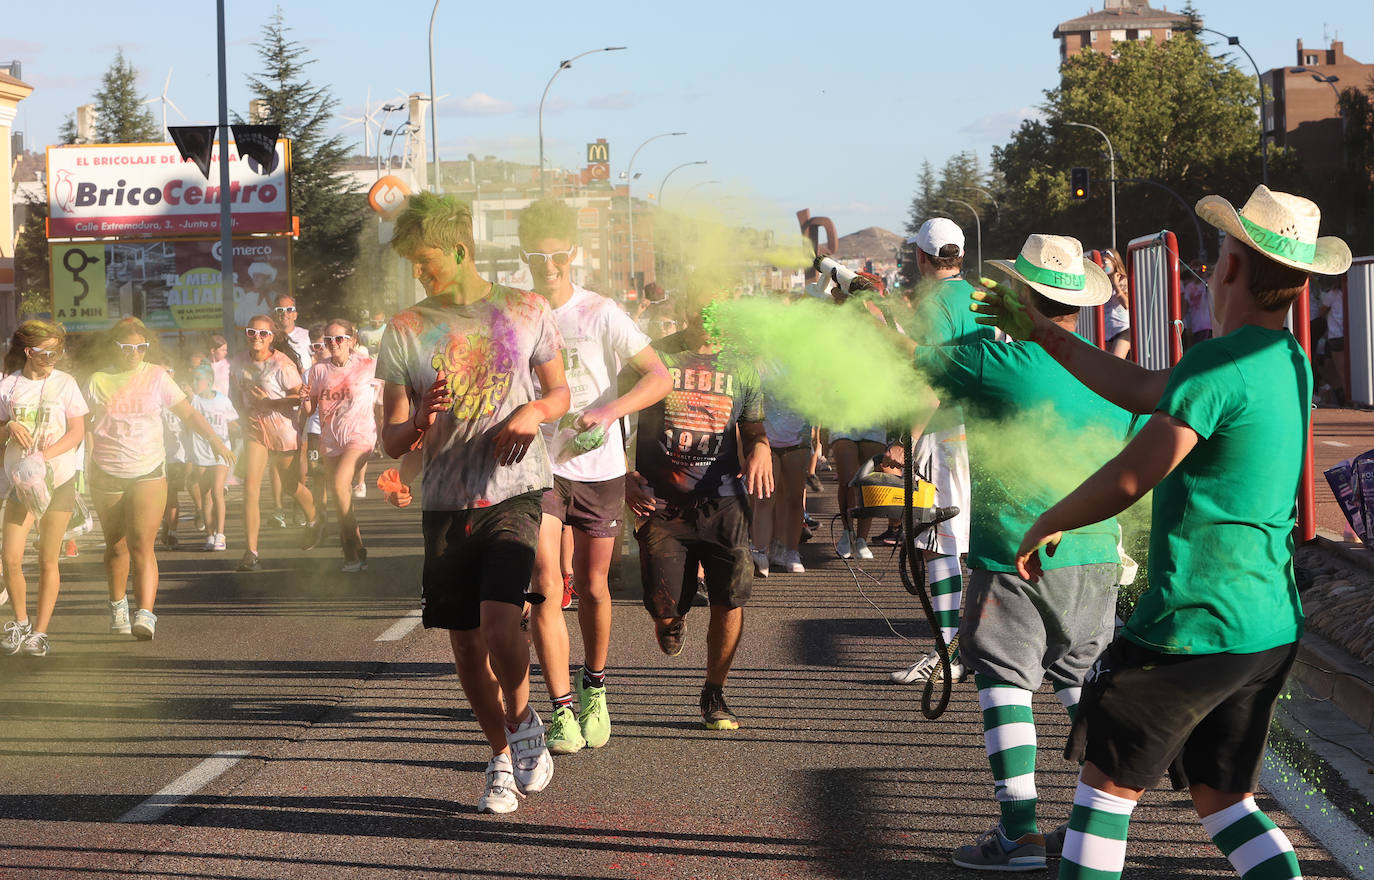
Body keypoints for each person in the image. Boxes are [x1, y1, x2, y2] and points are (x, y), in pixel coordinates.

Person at [974, 185, 1351, 880]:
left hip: (1191, 622)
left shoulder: (1220, 363)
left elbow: (1132, 474)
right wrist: (1041, 332)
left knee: (1105, 793)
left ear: (1231, 267)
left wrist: (1053, 518)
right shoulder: (1285, 360)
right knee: (1224, 798)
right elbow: (1146, 389)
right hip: (1264, 622)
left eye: (1220, 254)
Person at [914, 234, 1132, 871]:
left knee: (1004, 683)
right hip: (1096, 553)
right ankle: (1099, 827)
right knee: (1078, 685)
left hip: (1014, 551)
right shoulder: (1106, 371)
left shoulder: (991, 360)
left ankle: (1020, 832)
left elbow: (910, 364)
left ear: (1019, 295)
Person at [378, 191, 569, 814]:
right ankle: (501, 756)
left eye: (425, 260)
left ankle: (521, 721)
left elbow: (559, 391)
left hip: (513, 491)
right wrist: (418, 423)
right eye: (411, 263)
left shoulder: (526, 309)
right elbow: (390, 438)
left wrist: (533, 411)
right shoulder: (405, 328)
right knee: (464, 644)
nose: (418, 272)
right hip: (444, 501)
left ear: (460, 250)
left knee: (498, 620)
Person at [515, 198, 672, 756]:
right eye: (538, 256)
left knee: (596, 585)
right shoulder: (515, 312)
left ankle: (595, 685)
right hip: (538, 466)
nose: (549, 266)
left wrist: (608, 412)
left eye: (558, 255)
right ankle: (559, 707)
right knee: (546, 586)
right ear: (524, 256)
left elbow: (660, 376)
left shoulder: (600, 311)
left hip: (598, 467)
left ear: (573, 253)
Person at [626, 297, 774, 730]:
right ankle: (671, 620)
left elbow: (753, 425)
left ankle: (715, 692)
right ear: (685, 311)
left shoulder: (742, 367)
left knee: (731, 597)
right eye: (700, 315)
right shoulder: (655, 356)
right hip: (662, 503)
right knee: (665, 609)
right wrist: (622, 472)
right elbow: (612, 415)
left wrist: (761, 449)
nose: (708, 326)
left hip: (724, 499)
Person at [86, 318, 235, 641]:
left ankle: (145, 613)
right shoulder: (98, 380)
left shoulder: (156, 376)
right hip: (106, 472)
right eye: (127, 348)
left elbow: (190, 414)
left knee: (141, 543)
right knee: (116, 545)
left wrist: (216, 441)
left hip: (148, 471)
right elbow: (83, 426)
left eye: (141, 347)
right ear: (115, 347)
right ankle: (118, 606)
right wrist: (80, 470)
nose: (134, 354)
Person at [891, 217, 989, 685]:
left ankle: (948, 650)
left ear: (922, 257)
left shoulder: (932, 304)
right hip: (985, 430)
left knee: (939, 545)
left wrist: (901, 445)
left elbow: (929, 388)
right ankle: (970, 646)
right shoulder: (979, 295)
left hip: (944, 432)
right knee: (974, 544)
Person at [0, 321, 88, 658]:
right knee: (10, 558)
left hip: (57, 480)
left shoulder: (66, 383)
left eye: (57, 351)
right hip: (19, 483)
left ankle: (40, 632)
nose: (52, 357)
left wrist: (44, 456)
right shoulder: (8, 386)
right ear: (28, 351)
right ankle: (20, 622)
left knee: (48, 559)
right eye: (45, 352)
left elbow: (77, 431)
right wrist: (8, 426)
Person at [231, 314, 321, 572]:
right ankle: (251, 552)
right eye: (251, 332)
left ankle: (315, 520)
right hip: (255, 430)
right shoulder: (238, 362)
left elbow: (297, 399)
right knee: (251, 487)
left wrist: (268, 403)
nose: (256, 337)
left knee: (291, 485)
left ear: (271, 337)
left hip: (282, 429)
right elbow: (236, 393)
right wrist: (243, 414)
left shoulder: (282, 364)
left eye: (263, 333)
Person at [303, 318, 378, 572]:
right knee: (340, 497)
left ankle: (349, 551)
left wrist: (391, 432)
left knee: (338, 485)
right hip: (330, 439)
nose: (333, 344)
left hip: (360, 436)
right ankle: (357, 548)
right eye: (328, 340)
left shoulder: (369, 367)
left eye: (339, 339)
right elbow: (310, 408)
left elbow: (385, 401)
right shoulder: (318, 370)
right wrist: (304, 400)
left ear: (352, 341)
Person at [1098, 248, 1131, 360]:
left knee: (1116, 361)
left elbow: (1127, 304)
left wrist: (1116, 286)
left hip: (1123, 329)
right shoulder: (1102, 282)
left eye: (1105, 262)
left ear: (1114, 262)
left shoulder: (1124, 280)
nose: (1101, 265)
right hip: (1107, 331)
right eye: (1100, 262)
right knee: (1107, 364)